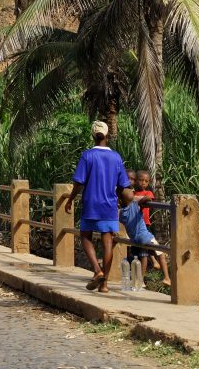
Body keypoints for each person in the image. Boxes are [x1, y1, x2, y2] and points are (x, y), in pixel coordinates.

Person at [64, 120, 132, 293]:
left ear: (93, 136)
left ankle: (97, 270)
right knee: (107, 240)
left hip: (91, 203)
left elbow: (79, 182)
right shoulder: (116, 157)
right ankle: (105, 284)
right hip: (109, 205)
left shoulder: (87, 155)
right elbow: (123, 184)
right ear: (107, 135)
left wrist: (70, 199)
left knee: (85, 236)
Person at [120, 192, 172, 286]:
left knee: (142, 256)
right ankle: (167, 278)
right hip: (145, 236)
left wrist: (139, 205)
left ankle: (141, 279)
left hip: (135, 239)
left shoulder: (122, 212)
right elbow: (147, 198)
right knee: (161, 253)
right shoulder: (134, 205)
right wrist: (138, 199)